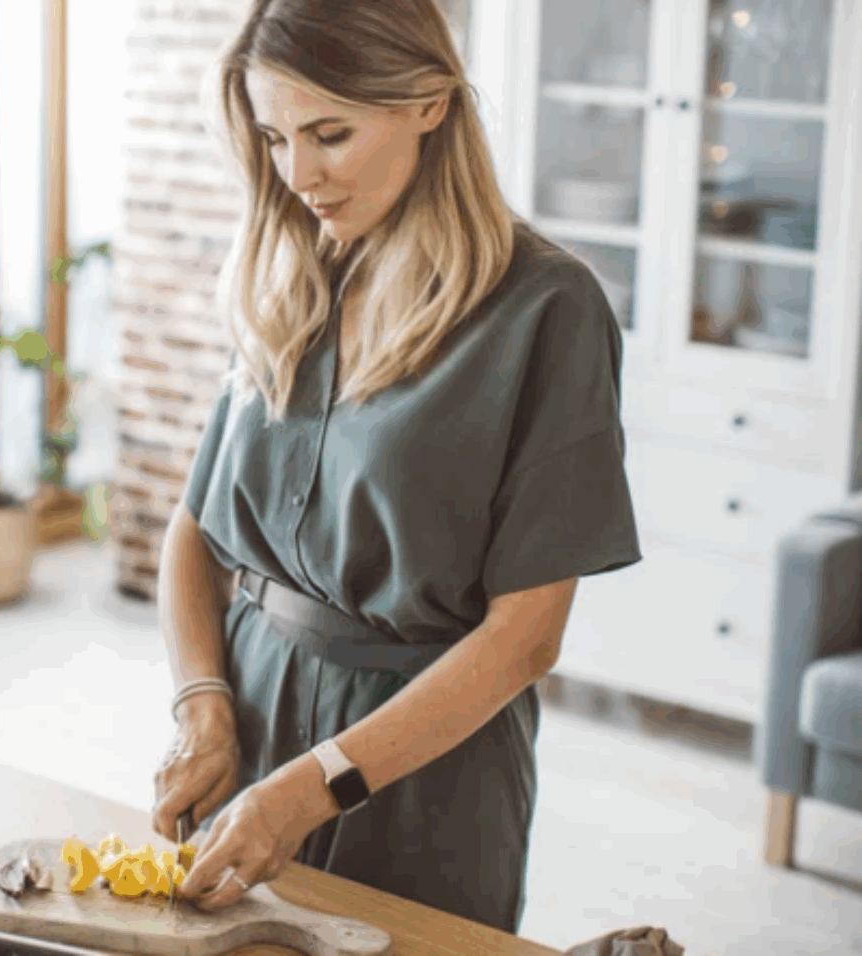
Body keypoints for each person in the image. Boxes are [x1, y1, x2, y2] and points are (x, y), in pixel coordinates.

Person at [153, 0, 642, 934]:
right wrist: (202, 707)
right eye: (275, 137)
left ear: (428, 101)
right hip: (252, 715)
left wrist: (314, 786)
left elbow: (527, 638)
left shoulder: (548, 309)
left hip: (427, 768)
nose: (299, 175)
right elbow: (197, 532)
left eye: (330, 133)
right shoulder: (289, 266)